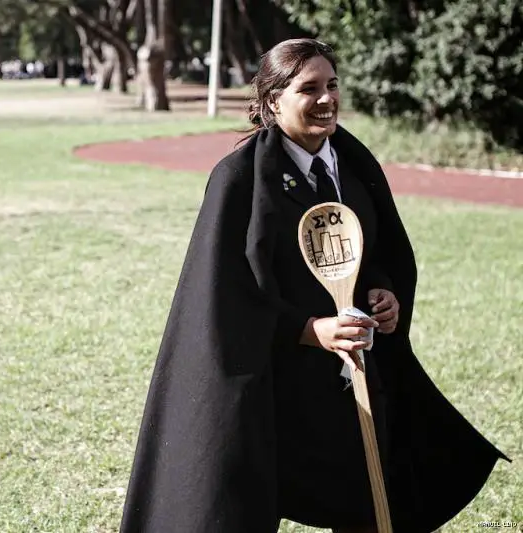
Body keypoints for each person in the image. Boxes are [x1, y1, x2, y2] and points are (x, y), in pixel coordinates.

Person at [119, 38, 508, 533]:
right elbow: (223, 296)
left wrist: (383, 293)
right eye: (309, 89)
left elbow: (380, 250)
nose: (326, 99)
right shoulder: (238, 179)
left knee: (366, 496)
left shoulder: (353, 162)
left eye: (332, 85)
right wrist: (309, 329)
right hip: (273, 379)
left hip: (352, 375)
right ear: (272, 100)